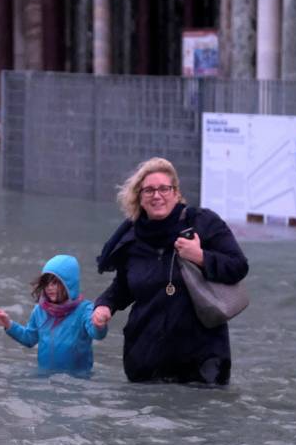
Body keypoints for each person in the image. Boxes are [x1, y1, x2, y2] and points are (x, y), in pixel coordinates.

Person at [91, 157, 249, 385]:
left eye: (164, 188)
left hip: (202, 364)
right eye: (149, 191)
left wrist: (201, 257)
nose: (157, 196)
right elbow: (123, 287)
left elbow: (238, 266)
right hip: (146, 362)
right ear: (139, 198)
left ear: (176, 193)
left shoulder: (203, 223)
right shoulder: (132, 239)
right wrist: (104, 306)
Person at [0, 255, 108, 378]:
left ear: (70, 284)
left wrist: (99, 324)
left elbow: (97, 334)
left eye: (55, 282)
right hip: (45, 379)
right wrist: (8, 324)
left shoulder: (84, 309)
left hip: (77, 381)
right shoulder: (40, 310)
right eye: (46, 283)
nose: (49, 287)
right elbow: (29, 338)